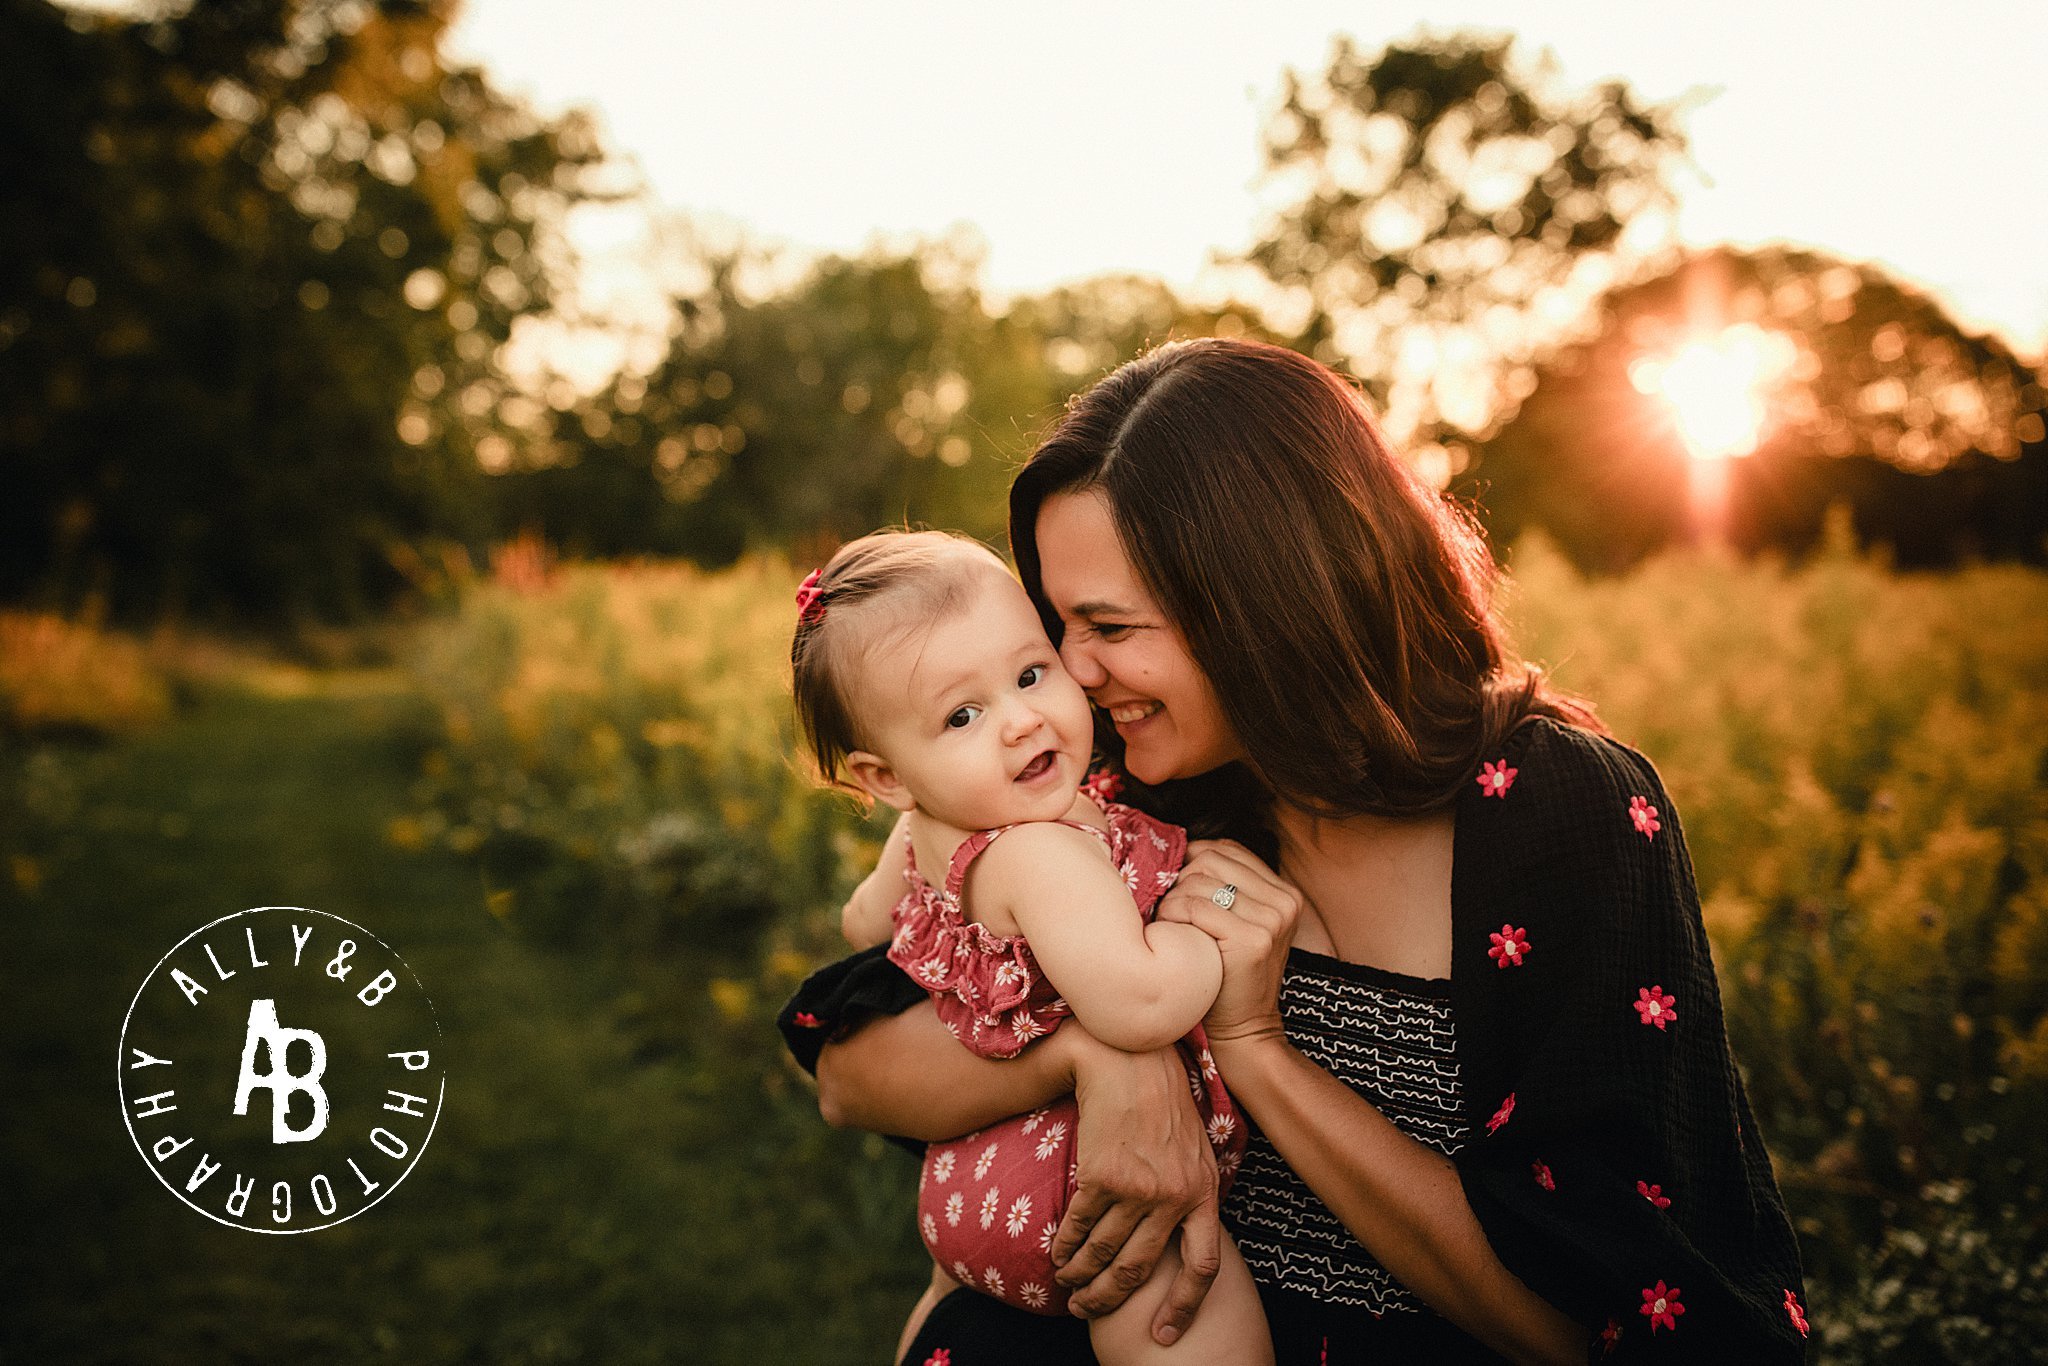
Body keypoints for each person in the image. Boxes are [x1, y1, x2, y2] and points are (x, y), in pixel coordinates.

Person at [778, 338, 1808, 1364]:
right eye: (1058, 625)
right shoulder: (1126, 784)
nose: (1073, 673)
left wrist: (1255, 1050)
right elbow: (853, 1070)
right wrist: (1102, 1057)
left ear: (1265, 602)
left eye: (1107, 625)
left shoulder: (1553, 811)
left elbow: (1593, 1325)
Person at [785, 529, 1274, 1365]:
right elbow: (1140, 1001)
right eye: (963, 715)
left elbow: (866, 926)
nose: (1021, 722)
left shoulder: (922, 829)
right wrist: (1200, 929)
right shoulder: (1043, 853)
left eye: (1029, 674)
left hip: (969, 1178)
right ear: (888, 776)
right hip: (1082, 1191)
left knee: (949, 1316)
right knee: (1178, 1306)